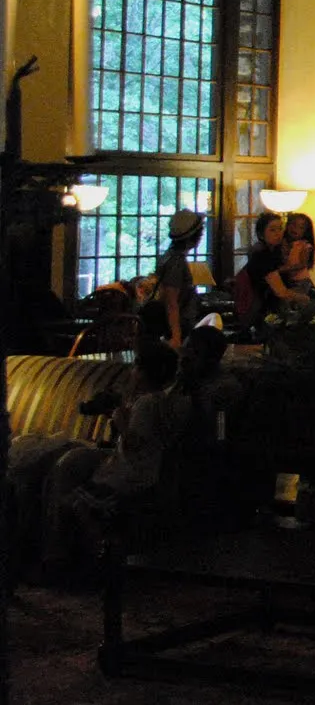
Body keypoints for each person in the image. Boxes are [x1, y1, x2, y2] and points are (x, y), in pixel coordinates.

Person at [40, 339, 194, 580]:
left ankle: (98, 556)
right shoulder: (164, 403)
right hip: (146, 474)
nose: (131, 373)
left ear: (143, 373)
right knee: (75, 499)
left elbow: (134, 444)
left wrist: (121, 422)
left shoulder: (146, 404)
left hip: (130, 478)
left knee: (71, 503)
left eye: (135, 368)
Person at [146, 208, 206, 349]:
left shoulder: (169, 256)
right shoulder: (176, 262)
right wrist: (176, 337)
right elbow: (171, 302)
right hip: (175, 326)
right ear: (192, 236)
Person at [241, 211, 300, 322]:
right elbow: (281, 292)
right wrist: (304, 298)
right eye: (272, 230)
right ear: (261, 233)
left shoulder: (275, 252)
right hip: (263, 313)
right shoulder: (261, 255)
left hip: (270, 309)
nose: (278, 233)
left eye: (280, 228)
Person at [281, 212, 315, 304]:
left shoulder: (304, 246)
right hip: (288, 279)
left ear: (305, 232)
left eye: (301, 228)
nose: (295, 229)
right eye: (293, 225)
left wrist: (285, 269)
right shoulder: (283, 243)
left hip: (301, 281)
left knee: (296, 300)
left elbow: (302, 264)